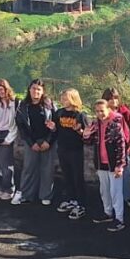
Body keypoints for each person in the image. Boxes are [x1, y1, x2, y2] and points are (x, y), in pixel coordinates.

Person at [83, 99, 127, 232]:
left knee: (116, 192)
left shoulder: (115, 125)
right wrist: (85, 135)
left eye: (102, 110)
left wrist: (120, 165)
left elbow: (121, 146)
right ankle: (107, 213)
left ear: (109, 109)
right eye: (97, 111)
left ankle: (119, 219)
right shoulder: (95, 124)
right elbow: (89, 142)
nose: (99, 113)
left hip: (114, 164)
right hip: (100, 163)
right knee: (104, 190)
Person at [15, 79, 57, 206]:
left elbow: (56, 124)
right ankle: (27, 194)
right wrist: (31, 142)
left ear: (43, 91)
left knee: (47, 169)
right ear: (29, 89)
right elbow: (21, 126)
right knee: (29, 168)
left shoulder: (49, 104)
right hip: (31, 142)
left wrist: (48, 141)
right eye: (33, 88)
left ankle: (46, 195)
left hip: (47, 141)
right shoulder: (23, 105)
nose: (36, 91)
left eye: (39, 89)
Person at [50, 88, 88, 219]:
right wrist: (53, 127)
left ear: (73, 99)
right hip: (62, 149)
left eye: (66, 98)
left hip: (76, 150)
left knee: (77, 177)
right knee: (67, 176)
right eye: (62, 98)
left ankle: (81, 204)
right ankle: (71, 199)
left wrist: (80, 131)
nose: (63, 101)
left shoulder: (80, 115)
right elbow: (56, 130)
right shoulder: (59, 113)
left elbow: (87, 136)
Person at [103, 88, 130, 207]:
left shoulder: (124, 111)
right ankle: (112, 198)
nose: (113, 101)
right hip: (107, 147)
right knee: (109, 174)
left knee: (125, 173)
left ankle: (127, 196)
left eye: (115, 98)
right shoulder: (103, 111)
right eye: (110, 99)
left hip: (123, 147)